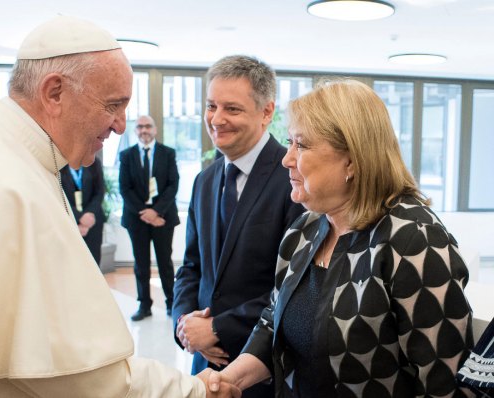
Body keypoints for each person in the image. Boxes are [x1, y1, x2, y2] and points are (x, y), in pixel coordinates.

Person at [0, 16, 240, 398]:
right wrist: (193, 390)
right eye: (113, 105)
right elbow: (74, 376)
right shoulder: (5, 182)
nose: (121, 126)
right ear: (54, 92)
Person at [199, 79, 475, 398]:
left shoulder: (413, 239)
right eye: (289, 143)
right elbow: (272, 324)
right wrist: (229, 379)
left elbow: (446, 383)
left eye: (300, 145)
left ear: (352, 160)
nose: (286, 159)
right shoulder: (304, 230)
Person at [172, 55, 304, 398]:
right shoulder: (205, 180)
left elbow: (295, 286)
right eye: (211, 106)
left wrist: (217, 329)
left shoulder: (295, 180)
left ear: (266, 112)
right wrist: (186, 327)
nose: (216, 119)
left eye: (231, 108)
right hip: (204, 363)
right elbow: (191, 268)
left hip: (263, 364)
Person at [119, 115, 179, 321]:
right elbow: (125, 188)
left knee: (165, 262)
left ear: (155, 129)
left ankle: (172, 303)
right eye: (139, 127)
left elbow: (173, 185)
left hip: (163, 218)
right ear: (135, 131)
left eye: (147, 126)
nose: (144, 130)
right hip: (137, 219)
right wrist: (145, 214)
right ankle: (144, 305)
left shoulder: (168, 153)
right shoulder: (126, 155)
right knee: (141, 263)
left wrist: (157, 212)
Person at [60, 157, 105, 265]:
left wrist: (88, 216)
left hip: (92, 221)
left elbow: (100, 192)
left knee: (93, 262)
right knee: (72, 263)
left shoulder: (94, 163)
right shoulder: (59, 164)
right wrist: (79, 217)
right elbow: (58, 195)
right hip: (68, 220)